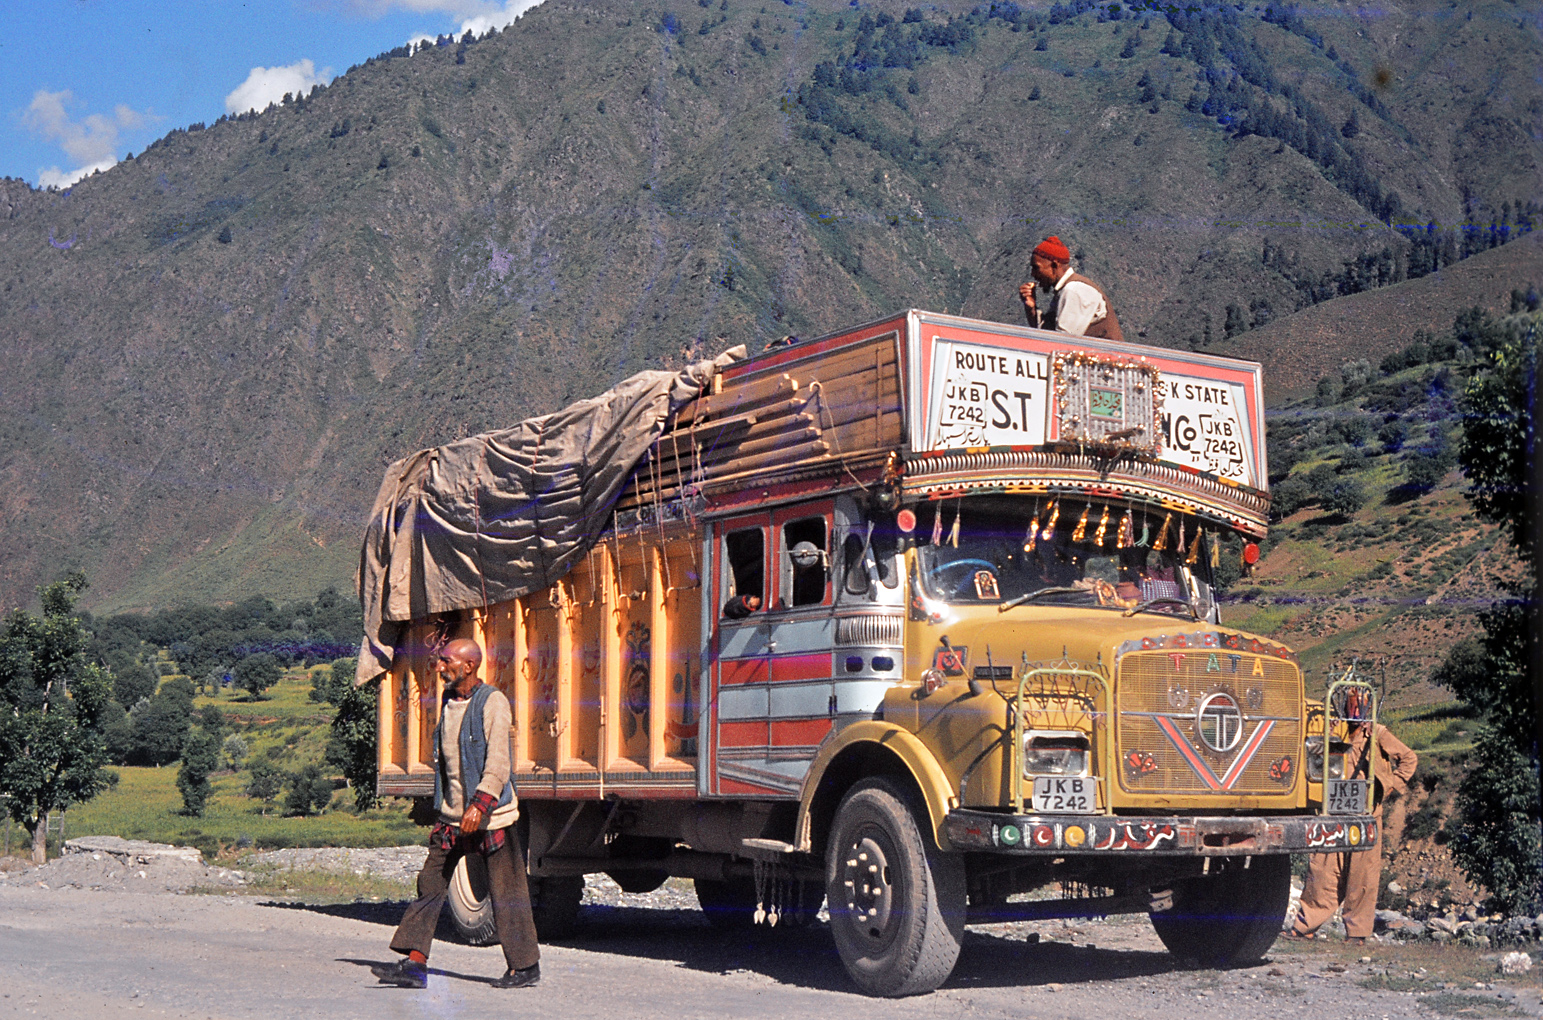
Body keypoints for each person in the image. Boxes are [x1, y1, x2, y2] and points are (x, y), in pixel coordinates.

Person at [374, 638, 541, 989]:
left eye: (446, 661)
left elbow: (498, 762)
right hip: (453, 819)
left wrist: (480, 805)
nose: (438, 666)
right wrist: (452, 811)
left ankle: (525, 968)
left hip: (492, 817)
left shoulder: (492, 702)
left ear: (468, 666)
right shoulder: (450, 703)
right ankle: (415, 963)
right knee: (430, 884)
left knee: (506, 892)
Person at [1286, 718, 1417, 945]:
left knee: (1362, 873)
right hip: (1334, 810)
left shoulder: (1377, 733)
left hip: (1366, 813)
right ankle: (1305, 926)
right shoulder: (1334, 729)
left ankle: (1357, 934)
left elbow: (1409, 758)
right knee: (1323, 869)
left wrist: (1389, 785)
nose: (1355, 709)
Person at [1017, 236, 1124, 340]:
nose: (1033, 274)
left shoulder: (1075, 291)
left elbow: (1062, 341)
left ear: (1054, 265)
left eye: (1036, 268)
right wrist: (1031, 308)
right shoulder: (1064, 290)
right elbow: (1047, 333)